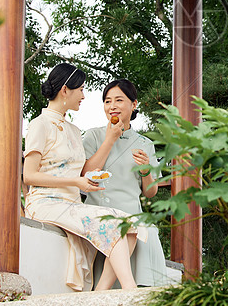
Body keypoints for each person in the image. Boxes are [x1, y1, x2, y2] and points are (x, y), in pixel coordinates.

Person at [23, 63, 145, 291]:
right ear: (65, 91)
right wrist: (75, 181)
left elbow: (80, 172)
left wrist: (88, 180)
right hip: (45, 203)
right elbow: (29, 176)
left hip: (72, 203)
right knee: (117, 226)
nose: (84, 96)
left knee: (129, 226)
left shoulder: (73, 129)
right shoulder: (39, 125)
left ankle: (100, 293)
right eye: (80, 90)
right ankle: (131, 290)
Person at [83, 79, 168, 287]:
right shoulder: (93, 136)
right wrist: (110, 139)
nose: (112, 106)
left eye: (119, 100)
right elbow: (85, 173)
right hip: (98, 213)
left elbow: (150, 192)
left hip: (131, 214)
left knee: (149, 232)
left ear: (134, 104)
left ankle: (142, 289)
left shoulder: (144, 144)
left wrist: (146, 170)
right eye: (107, 101)